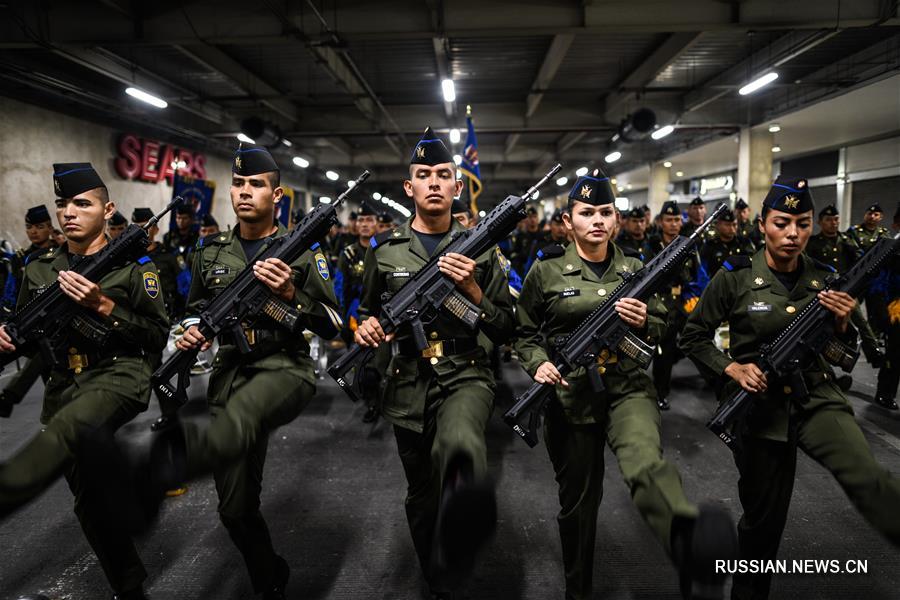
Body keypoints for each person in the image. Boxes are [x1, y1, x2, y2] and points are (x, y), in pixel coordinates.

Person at [109, 143, 343, 599]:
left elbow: (334, 323)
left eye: (256, 185)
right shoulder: (210, 249)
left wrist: (293, 294)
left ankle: (163, 463)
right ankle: (270, 573)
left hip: (283, 368)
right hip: (229, 375)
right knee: (234, 509)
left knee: (243, 422)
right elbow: (196, 309)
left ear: (277, 197)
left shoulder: (300, 252)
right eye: (238, 184)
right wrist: (195, 331)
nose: (244, 192)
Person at [514, 169, 737, 600]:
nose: (597, 220)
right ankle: (577, 590)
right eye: (586, 213)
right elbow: (524, 333)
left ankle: (687, 540)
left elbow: (662, 324)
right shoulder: (545, 269)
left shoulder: (636, 268)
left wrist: (644, 321)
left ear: (616, 220)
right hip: (569, 395)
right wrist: (538, 365)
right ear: (568, 221)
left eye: (605, 212)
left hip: (628, 386)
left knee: (644, 464)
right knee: (578, 506)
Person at [680, 175, 900, 600]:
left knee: (866, 475)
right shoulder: (735, 277)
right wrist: (732, 369)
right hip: (758, 408)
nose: (793, 234)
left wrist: (840, 323)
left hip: (817, 398)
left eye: (803, 223)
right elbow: (693, 336)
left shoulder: (827, 278)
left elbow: (844, 356)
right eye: (782, 223)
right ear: (762, 224)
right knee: (762, 526)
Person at [354, 127, 515, 597]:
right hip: (405, 381)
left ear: (457, 186)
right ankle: (436, 575)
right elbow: (367, 311)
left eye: (443, 175)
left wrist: (473, 292)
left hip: (467, 373)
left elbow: (506, 327)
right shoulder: (383, 252)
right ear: (409, 188)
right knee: (422, 497)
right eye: (423, 175)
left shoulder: (481, 249)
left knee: (461, 446)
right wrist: (365, 328)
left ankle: (465, 514)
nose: (434, 183)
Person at [0, 163, 169, 599]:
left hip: (118, 373)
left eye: (81, 203)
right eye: (62, 204)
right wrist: (9, 338)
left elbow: (156, 335)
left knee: (70, 437)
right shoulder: (39, 269)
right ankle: (130, 584)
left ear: (107, 208)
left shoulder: (134, 268)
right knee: (90, 504)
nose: (68, 212)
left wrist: (104, 306)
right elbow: (26, 331)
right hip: (63, 387)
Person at [806, 204, 883, 383]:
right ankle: (825, 374)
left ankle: (874, 352)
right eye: (828, 220)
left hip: (844, 292)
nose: (833, 223)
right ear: (820, 222)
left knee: (860, 322)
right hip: (821, 294)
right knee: (822, 332)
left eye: (836, 219)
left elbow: (859, 263)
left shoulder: (847, 240)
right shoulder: (813, 243)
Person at [0, 205, 60, 417]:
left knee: (52, 377)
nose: (34, 231)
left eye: (40, 226)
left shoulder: (63, 252)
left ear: (50, 228)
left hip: (56, 326)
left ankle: (10, 396)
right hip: (29, 322)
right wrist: (7, 322)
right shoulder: (21, 258)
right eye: (29, 227)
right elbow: (12, 292)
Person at [645, 201, 702, 410]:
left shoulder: (688, 244)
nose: (673, 224)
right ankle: (660, 392)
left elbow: (696, 273)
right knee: (663, 351)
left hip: (681, 301)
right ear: (660, 222)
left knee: (695, 339)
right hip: (660, 302)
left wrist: (694, 295)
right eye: (669, 220)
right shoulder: (652, 245)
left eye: (677, 220)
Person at [335, 202, 381, 423]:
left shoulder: (384, 248)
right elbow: (340, 287)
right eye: (361, 220)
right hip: (355, 315)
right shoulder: (349, 253)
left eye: (369, 220)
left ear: (376, 224)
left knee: (382, 362)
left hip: (381, 312)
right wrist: (343, 320)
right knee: (363, 362)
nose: (365, 224)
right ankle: (372, 402)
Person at [848, 203, 891, 337]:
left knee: (875, 310)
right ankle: (848, 333)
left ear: (881, 217)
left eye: (876, 214)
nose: (872, 217)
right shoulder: (854, 231)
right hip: (858, 276)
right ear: (865, 215)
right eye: (869, 214)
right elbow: (853, 250)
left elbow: (887, 252)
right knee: (851, 306)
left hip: (876, 278)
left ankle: (875, 336)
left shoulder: (883, 233)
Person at [132, 208, 180, 322]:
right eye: (137, 227)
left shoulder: (170, 256)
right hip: (136, 318)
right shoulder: (128, 257)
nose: (142, 231)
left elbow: (185, 288)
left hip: (165, 317)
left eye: (146, 226)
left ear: (156, 229)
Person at [699, 208, 756, 276]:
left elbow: (754, 262)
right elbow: (703, 271)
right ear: (718, 225)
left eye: (734, 225)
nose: (732, 228)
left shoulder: (743, 243)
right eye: (727, 225)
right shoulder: (710, 246)